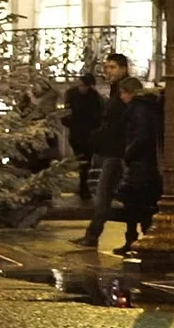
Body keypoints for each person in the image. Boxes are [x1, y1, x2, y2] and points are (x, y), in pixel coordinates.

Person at [74, 53, 133, 248]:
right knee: (107, 194)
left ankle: (94, 235)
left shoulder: (126, 90)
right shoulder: (116, 90)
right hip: (114, 150)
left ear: (124, 68)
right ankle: (96, 235)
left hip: (120, 151)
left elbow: (122, 122)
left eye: (113, 67)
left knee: (106, 193)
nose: (108, 71)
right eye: (107, 67)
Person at [114, 76, 162, 257]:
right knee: (139, 204)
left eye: (123, 93)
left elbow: (141, 136)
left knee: (136, 204)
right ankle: (137, 240)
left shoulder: (138, 109)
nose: (121, 97)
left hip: (141, 164)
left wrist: (128, 153)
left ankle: (137, 241)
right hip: (144, 163)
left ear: (129, 93)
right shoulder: (146, 107)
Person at [63, 74, 103, 201]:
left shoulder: (95, 97)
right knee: (81, 160)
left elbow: (99, 115)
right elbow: (67, 112)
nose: (81, 88)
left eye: (83, 85)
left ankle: (84, 185)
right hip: (77, 132)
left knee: (86, 160)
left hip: (88, 133)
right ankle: (83, 184)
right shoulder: (72, 95)